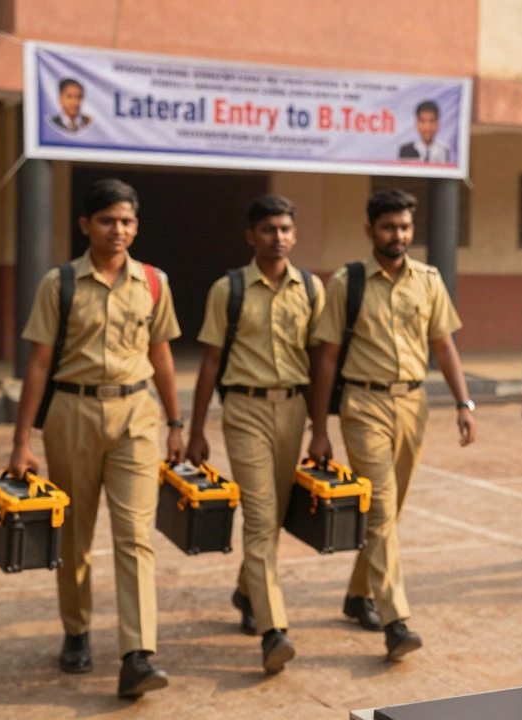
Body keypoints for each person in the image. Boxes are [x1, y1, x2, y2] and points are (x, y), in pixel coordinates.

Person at [8, 178, 183, 699]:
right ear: (86, 225)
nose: (119, 230)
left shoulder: (153, 282)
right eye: (107, 220)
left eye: (127, 221)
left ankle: (137, 653)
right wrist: (21, 441)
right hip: (72, 414)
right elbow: (38, 363)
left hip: (136, 416)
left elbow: (163, 357)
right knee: (75, 535)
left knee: (134, 535)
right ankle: (77, 631)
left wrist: (176, 424)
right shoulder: (59, 284)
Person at [307, 188, 477, 661]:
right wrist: (319, 429)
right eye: (388, 227)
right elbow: (326, 359)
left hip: (413, 405)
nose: (398, 235)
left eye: (404, 227)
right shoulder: (348, 282)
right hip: (364, 405)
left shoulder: (428, 280)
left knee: (389, 510)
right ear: (370, 231)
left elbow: (443, 345)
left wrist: (464, 402)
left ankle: (357, 594)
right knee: (381, 510)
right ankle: (395, 619)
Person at [185, 193, 324, 675]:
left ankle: (246, 590)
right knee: (262, 516)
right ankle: (273, 631)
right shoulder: (230, 289)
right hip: (243, 410)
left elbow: (319, 362)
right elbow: (209, 362)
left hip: (294, 411)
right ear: (251, 236)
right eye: (269, 230)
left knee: (277, 513)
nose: (278, 237)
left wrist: (321, 428)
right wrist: (196, 429)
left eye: (286, 229)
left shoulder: (310, 288)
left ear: (295, 234)